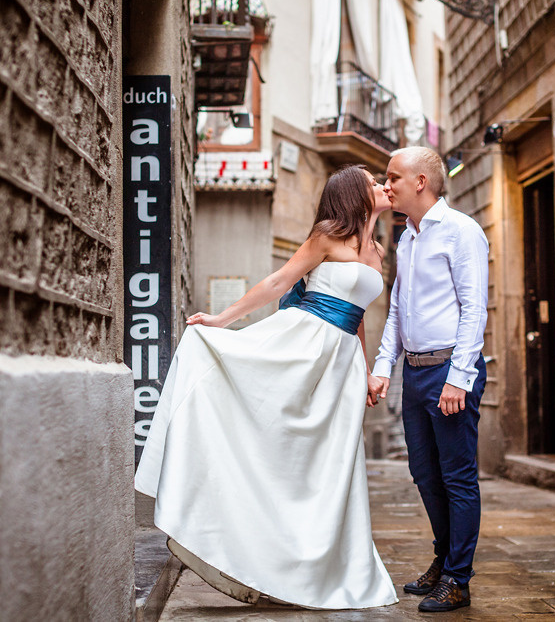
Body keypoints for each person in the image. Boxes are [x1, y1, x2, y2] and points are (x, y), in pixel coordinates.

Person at [134, 165, 399, 610]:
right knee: (278, 445)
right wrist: (221, 320)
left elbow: (357, 320)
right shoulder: (327, 236)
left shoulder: (377, 249)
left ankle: (312, 568)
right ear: (356, 193)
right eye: (373, 181)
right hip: (304, 344)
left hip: (342, 366)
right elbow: (279, 282)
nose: (382, 185)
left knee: (329, 465)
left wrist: (367, 372)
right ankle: (235, 536)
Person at [372, 147, 489, 613]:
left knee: (457, 477)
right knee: (424, 473)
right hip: (415, 372)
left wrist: (459, 378)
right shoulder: (407, 237)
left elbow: (474, 308)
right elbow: (397, 308)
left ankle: (458, 578)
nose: (386, 185)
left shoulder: (462, 231)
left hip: (449, 370)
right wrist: (384, 365)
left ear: (420, 182)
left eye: (393, 177)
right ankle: (444, 560)